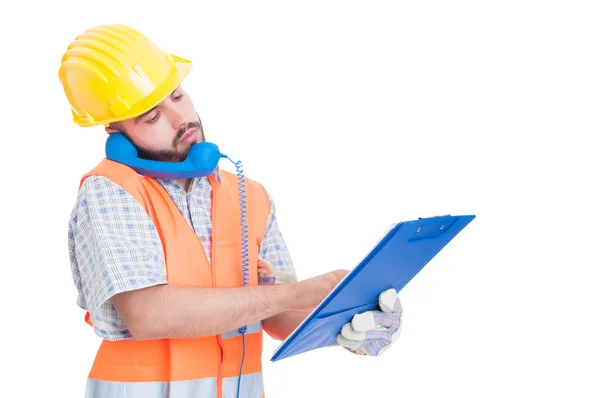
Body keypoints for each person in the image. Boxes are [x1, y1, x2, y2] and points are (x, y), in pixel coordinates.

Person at [59, 24, 404, 398]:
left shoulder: (249, 195)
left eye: (177, 96)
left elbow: (277, 314)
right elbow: (148, 314)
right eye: (152, 117)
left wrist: (349, 321)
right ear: (116, 134)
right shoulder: (110, 190)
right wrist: (295, 294)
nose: (181, 119)